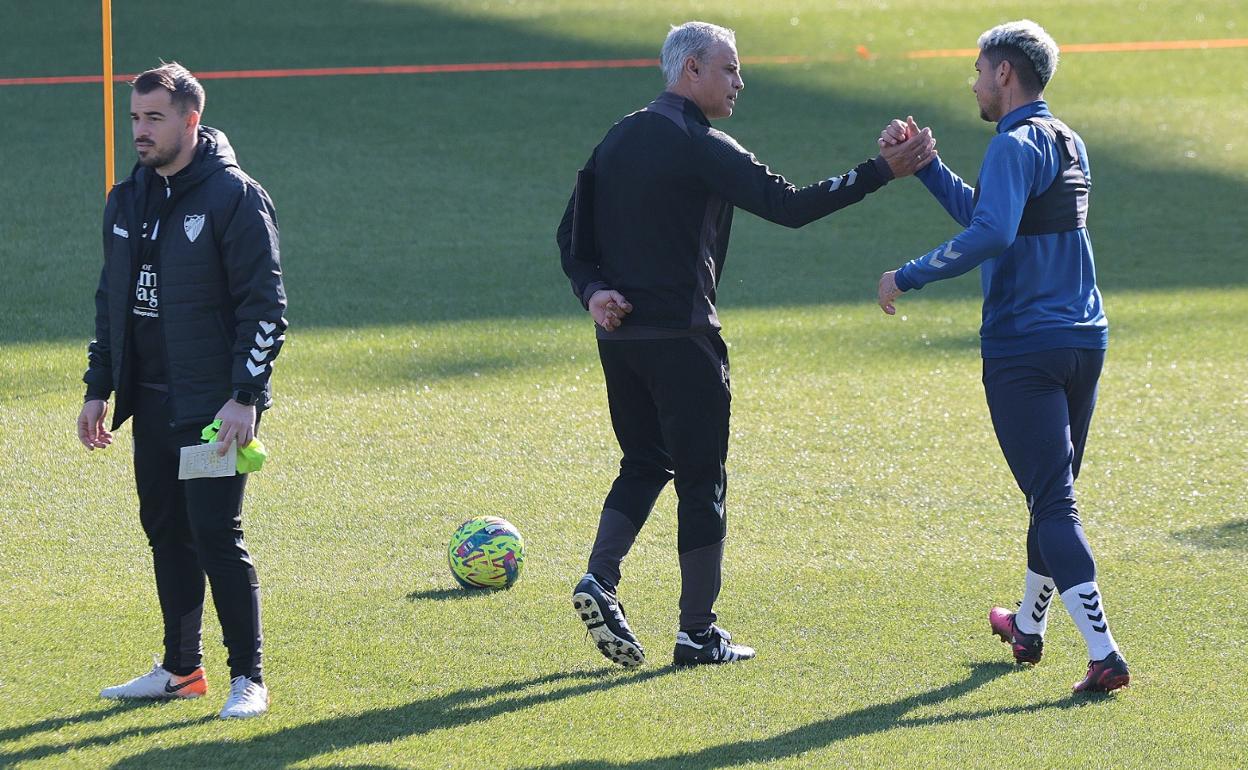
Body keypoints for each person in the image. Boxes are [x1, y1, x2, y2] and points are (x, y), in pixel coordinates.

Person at [558, 21, 936, 668]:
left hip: (621, 338)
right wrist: (881, 172)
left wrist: (594, 292)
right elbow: (787, 206)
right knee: (702, 479)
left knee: (645, 461)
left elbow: (572, 235)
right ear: (692, 71)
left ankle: (602, 577)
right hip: (686, 339)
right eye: (730, 69)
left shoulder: (617, 138)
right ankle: (697, 634)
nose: (740, 81)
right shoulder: (700, 143)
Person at [876, 20, 1129, 693]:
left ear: (1006, 74)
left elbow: (990, 231)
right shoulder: (1065, 139)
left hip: (1025, 347)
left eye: (980, 70)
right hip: (1083, 338)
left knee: (1053, 503)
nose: (975, 82)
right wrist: (928, 167)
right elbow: (1003, 218)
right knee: (1051, 495)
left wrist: (907, 275)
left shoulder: (1014, 144)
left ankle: (1104, 653)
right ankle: (1027, 625)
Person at [78, 62, 287, 718]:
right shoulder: (127, 197)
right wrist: (99, 387)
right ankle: (179, 670)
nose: (140, 131)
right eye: (135, 118)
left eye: (153, 119)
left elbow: (266, 307)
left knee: (214, 530)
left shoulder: (234, 197)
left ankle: (248, 678)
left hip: (213, 409)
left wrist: (245, 396)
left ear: (191, 121)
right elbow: (114, 300)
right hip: (153, 400)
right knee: (166, 529)